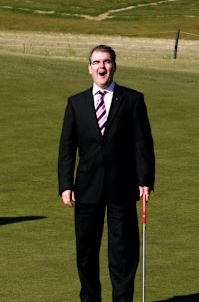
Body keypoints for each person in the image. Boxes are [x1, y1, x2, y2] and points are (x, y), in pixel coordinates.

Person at [58, 44, 155, 302]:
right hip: (86, 189)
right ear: (89, 68)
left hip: (122, 188)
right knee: (86, 252)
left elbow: (142, 145)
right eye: (97, 62)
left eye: (107, 62)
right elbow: (67, 148)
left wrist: (145, 180)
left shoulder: (133, 100)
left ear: (114, 66)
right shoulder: (75, 103)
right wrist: (65, 185)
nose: (102, 67)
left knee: (122, 253)